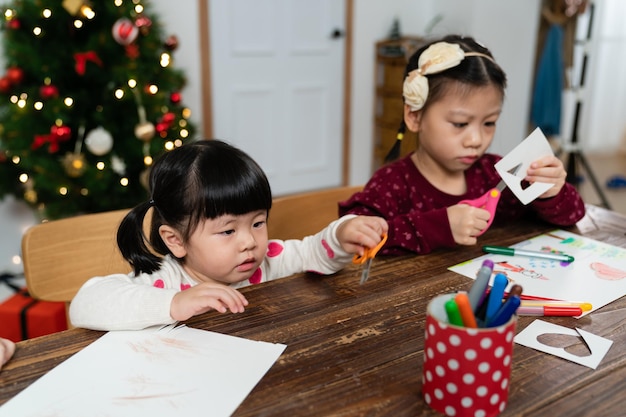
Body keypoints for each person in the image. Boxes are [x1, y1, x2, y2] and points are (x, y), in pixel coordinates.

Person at [69, 139, 388, 331]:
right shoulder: (164, 281)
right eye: (228, 230)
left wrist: (340, 235)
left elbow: (312, 253)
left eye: (258, 223)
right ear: (176, 240)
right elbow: (84, 304)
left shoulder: (267, 262)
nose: (249, 241)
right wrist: (174, 303)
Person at [339, 34, 585, 255]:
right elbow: (354, 236)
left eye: (489, 123)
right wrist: (440, 226)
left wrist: (551, 192)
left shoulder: (497, 174)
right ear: (414, 116)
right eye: (459, 123)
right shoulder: (392, 183)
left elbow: (571, 216)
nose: (476, 140)